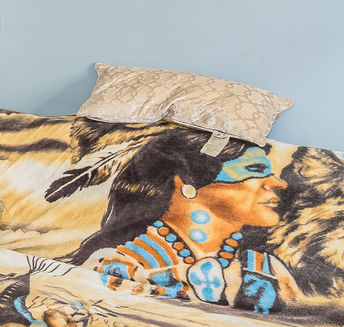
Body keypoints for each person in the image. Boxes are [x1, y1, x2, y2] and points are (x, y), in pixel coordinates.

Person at [70, 129, 291, 313]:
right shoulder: (118, 264)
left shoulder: (269, 269)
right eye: (255, 170)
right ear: (187, 182)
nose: (280, 184)